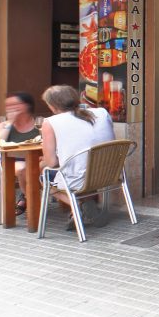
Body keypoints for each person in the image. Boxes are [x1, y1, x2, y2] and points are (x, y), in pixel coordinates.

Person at [39, 85, 115, 230]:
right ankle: (87, 205)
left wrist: (43, 161)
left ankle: (77, 206)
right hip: (109, 174)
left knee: (44, 177)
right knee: (80, 166)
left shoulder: (51, 122)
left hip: (80, 179)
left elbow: (52, 162)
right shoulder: (102, 112)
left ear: (53, 106)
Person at [0, 92, 40, 215]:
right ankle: (31, 200)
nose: (11, 108)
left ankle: (27, 196)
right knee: (23, 169)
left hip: (37, 159)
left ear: (27, 106)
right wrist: (10, 123)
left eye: (15, 104)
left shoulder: (39, 123)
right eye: (8, 105)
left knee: (49, 166)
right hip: (12, 161)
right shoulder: (4, 125)